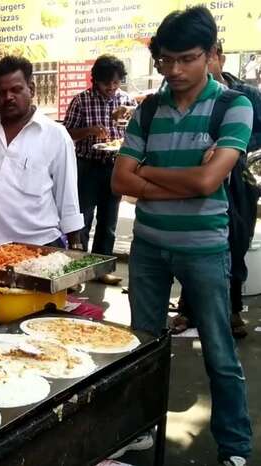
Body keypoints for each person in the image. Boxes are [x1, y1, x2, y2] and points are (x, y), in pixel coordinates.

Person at [111, 7, 253, 466]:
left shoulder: (235, 106)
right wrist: (184, 176)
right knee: (141, 346)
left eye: (186, 59)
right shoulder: (150, 109)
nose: (173, 70)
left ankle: (234, 446)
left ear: (211, 54)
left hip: (205, 251)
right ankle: (140, 428)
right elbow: (119, 180)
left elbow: (207, 183)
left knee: (219, 349)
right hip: (149, 248)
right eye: (165, 60)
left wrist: (148, 176)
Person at [173, 42, 261, 339]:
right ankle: (188, 308)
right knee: (191, 239)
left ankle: (232, 308)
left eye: (199, 59)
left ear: (217, 59)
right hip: (195, 177)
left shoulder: (246, 97)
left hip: (238, 182)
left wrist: (230, 146)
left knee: (235, 242)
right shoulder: (181, 97)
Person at [0, 56, 84, 250]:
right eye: (1, 92)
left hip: (38, 250)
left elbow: (67, 198)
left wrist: (76, 247)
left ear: (32, 89)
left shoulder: (55, 135)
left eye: (16, 90)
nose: (8, 97)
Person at [63, 55, 137, 285]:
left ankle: (101, 269)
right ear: (96, 81)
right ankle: (79, 269)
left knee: (109, 221)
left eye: (116, 83)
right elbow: (66, 134)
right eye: (107, 84)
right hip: (87, 165)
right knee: (82, 218)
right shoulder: (81, 101)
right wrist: (88, 131)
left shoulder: (126, 101)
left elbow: (136, 133)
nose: (112, 88)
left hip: (114, 166)